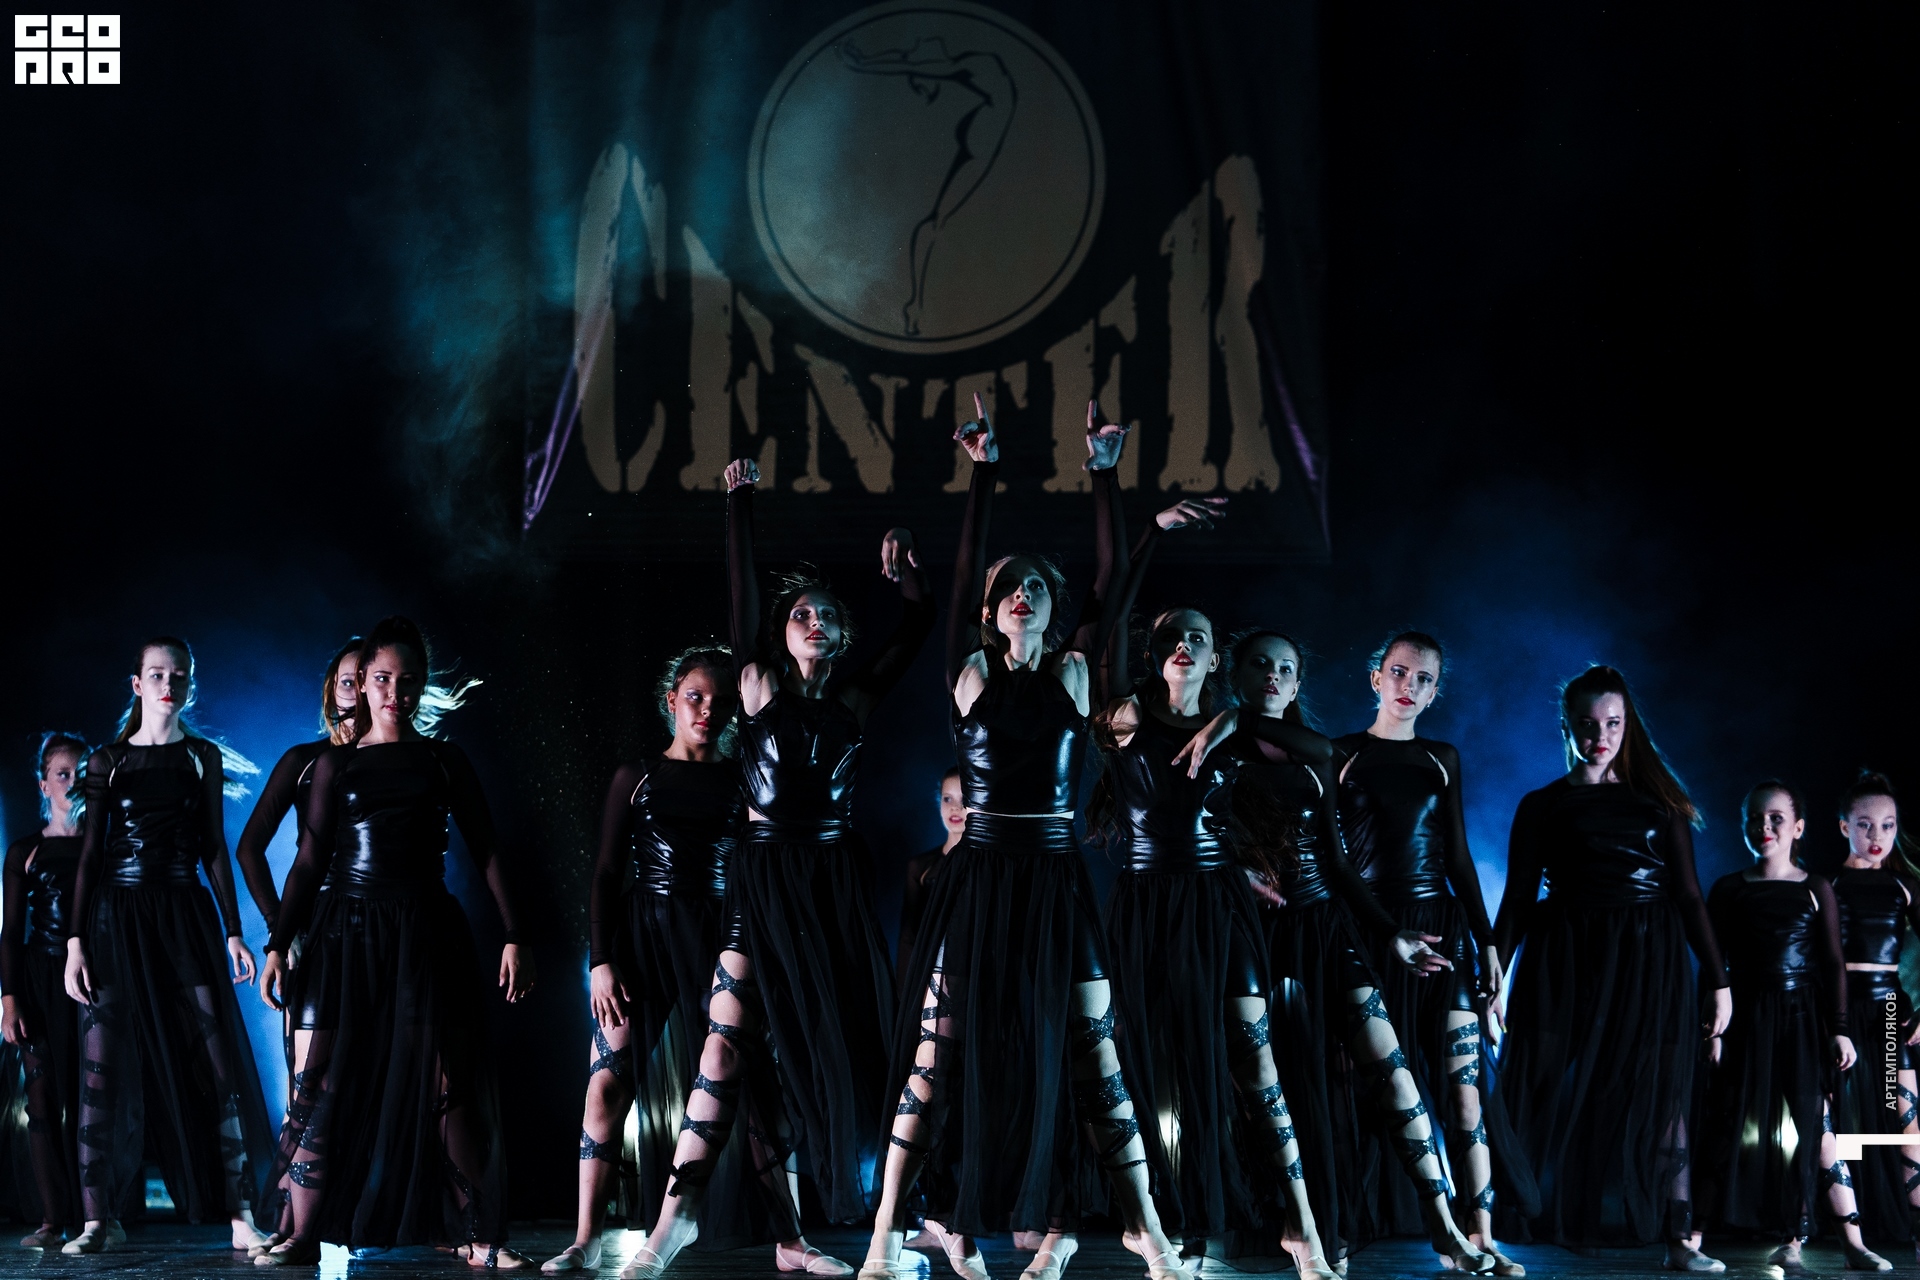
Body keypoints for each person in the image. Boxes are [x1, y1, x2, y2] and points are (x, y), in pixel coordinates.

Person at [860, 398, 1188, 1280]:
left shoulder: (1077, 673)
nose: (1019, 595)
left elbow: (1111, 581)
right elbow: (967, 572)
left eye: (1035, 587)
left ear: (1050, 607)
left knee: (1094, 1054)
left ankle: (1151, 1234)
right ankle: (885, 1234)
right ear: (990, 610)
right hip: (978, 880)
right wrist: (983, 471)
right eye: (1008, 589)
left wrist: (1105, 471)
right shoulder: (968, 673)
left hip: (1053, 878)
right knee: (938, 1055)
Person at [623, 462, 934, 1279]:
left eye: (827, 614)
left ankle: (883, 1225)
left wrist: (907, 572)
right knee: (722, 1048)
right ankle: (673, 1222)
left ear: (841, 635)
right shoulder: (758, 686)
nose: (816, 622)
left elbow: (918, 627)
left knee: (824, 1057)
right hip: (761, 882)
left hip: (830, 884)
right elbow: (741, 600)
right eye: (802, 614)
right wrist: (739, 504)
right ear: (780, 631)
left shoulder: (853, 703)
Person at [1176, 632, 1496, 1273]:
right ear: (1236, 674)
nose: (1272, 675)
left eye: (1285, 667)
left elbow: (1340, 861)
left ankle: (1447, 1231)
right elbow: (1186, 840)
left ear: (1298, 684)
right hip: (1252, 929)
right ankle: (1299, 1229)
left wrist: (1392, 933)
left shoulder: (1317, 750)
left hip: (1326, 922)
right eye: (1259, 664)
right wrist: (1233, 874)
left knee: (1395, 1072)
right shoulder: (1213, 751)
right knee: (1270, 1083)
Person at [254, 616, 535, 1268]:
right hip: (344, 933)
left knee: (445, 1083)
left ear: (422, 685)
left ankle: (478, 1237)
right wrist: (276, 944)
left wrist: (516, 934)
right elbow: (309, 861)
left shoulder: (443, 760)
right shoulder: (334, 763)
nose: (394, 693)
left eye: (408, 682)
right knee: (319, 1083)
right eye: (382, 679)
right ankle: (302, 1234)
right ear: (364, 681)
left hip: (424, 930)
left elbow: (487, 847)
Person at [544, 646, 820, 1273]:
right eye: (695, 696)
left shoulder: (744, 777)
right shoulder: (636, 775)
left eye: (720, 702)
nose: (707, 710)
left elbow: (767, 858)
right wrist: (601, 960)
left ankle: (792, 1240)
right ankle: (584, 1239)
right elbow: (606, 872)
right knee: (606, 1084)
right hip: (642, 935)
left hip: (720, 932)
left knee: (751, 1083)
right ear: (671, 699)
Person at [1491, 664, 1730, 1271]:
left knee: (1661, 1091)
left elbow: (1690, 896)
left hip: (1649, 956)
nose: (1601, 736)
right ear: (1567, 726)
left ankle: (1679, 1240)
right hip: (1565, 955)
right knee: (1547, 1080)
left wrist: (1719, 980)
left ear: (1628, 725)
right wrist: (1494, 973)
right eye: (1589, 724)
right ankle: (1515, 1221)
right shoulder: (1542, 805)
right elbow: (1517, 897)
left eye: (1614, 723)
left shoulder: (1661, 804)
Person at [62, 637, 277, 1254]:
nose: (168, 684)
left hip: (184, 913)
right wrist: (75, 941)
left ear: (190, 684)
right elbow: (90, 857)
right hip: (117, 917)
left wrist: (233, 930)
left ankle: (241, 1216)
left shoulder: (202, 757)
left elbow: (214, 847)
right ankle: (97, 1221)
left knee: (216, 1067)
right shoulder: (107, 762)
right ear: (136, 684)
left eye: (178, 676)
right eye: (157, 674)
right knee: (102, 1069)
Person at [1331, 632, 1535, 1261]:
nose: (1409, 686)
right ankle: (1354, 1230)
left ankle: (1482, 1235)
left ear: (1434, 692)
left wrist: (1488, 939)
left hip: (1443, 929)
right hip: (1372, 929)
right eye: (1399, 672)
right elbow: (1333, 860)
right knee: (1377, 1088)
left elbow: (1459, 856)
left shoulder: (1442, 756)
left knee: (1465, 1088)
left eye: (1423, 679)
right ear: (1376, 677)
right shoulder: (1340, 753)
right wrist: (1379, 930)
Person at [1694, 781, 1885, 1270]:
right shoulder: (1729, 889)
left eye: (1776, 818)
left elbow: (1834, 963)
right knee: (1725, 1124)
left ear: (1797, 828)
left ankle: (1846, 1242)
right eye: (1755, 818)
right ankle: (1690, 1239)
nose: (1765, 826)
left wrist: (1839, 1028)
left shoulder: (1816, 888)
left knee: (1817, 1129)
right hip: (1744, 1016)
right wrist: (1712, 1031)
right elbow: (1712, 966)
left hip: (1800, 1018)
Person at [1, 733, 89, 1247]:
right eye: (63, 774)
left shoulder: (103, 844)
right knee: (42, 1097)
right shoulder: (26, 851)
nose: (73, 783)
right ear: (44, 784)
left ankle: (95, 1216)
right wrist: (10, 998)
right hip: (39, 979)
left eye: (81, 774)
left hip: (90, 979)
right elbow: (12, 930)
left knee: (90, 1099)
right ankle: (53, 1219)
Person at [1830, 770, 1920, 1258]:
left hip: (1888, 1014)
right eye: (1865, 824)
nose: (1877, 835)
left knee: (1906, 1124)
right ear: (1845, 826)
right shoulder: (1827, 884)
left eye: (1888, 825)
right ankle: (1843, 1233)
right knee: (1838, 1127)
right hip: (1839, 1014)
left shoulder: (1904, 886)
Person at [897, 768, 966, 977]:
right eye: (947, 798)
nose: (955, 807)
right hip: (928, 979)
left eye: (965, 800)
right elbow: (908, 938)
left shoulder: (989, 867)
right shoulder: (920, 867)